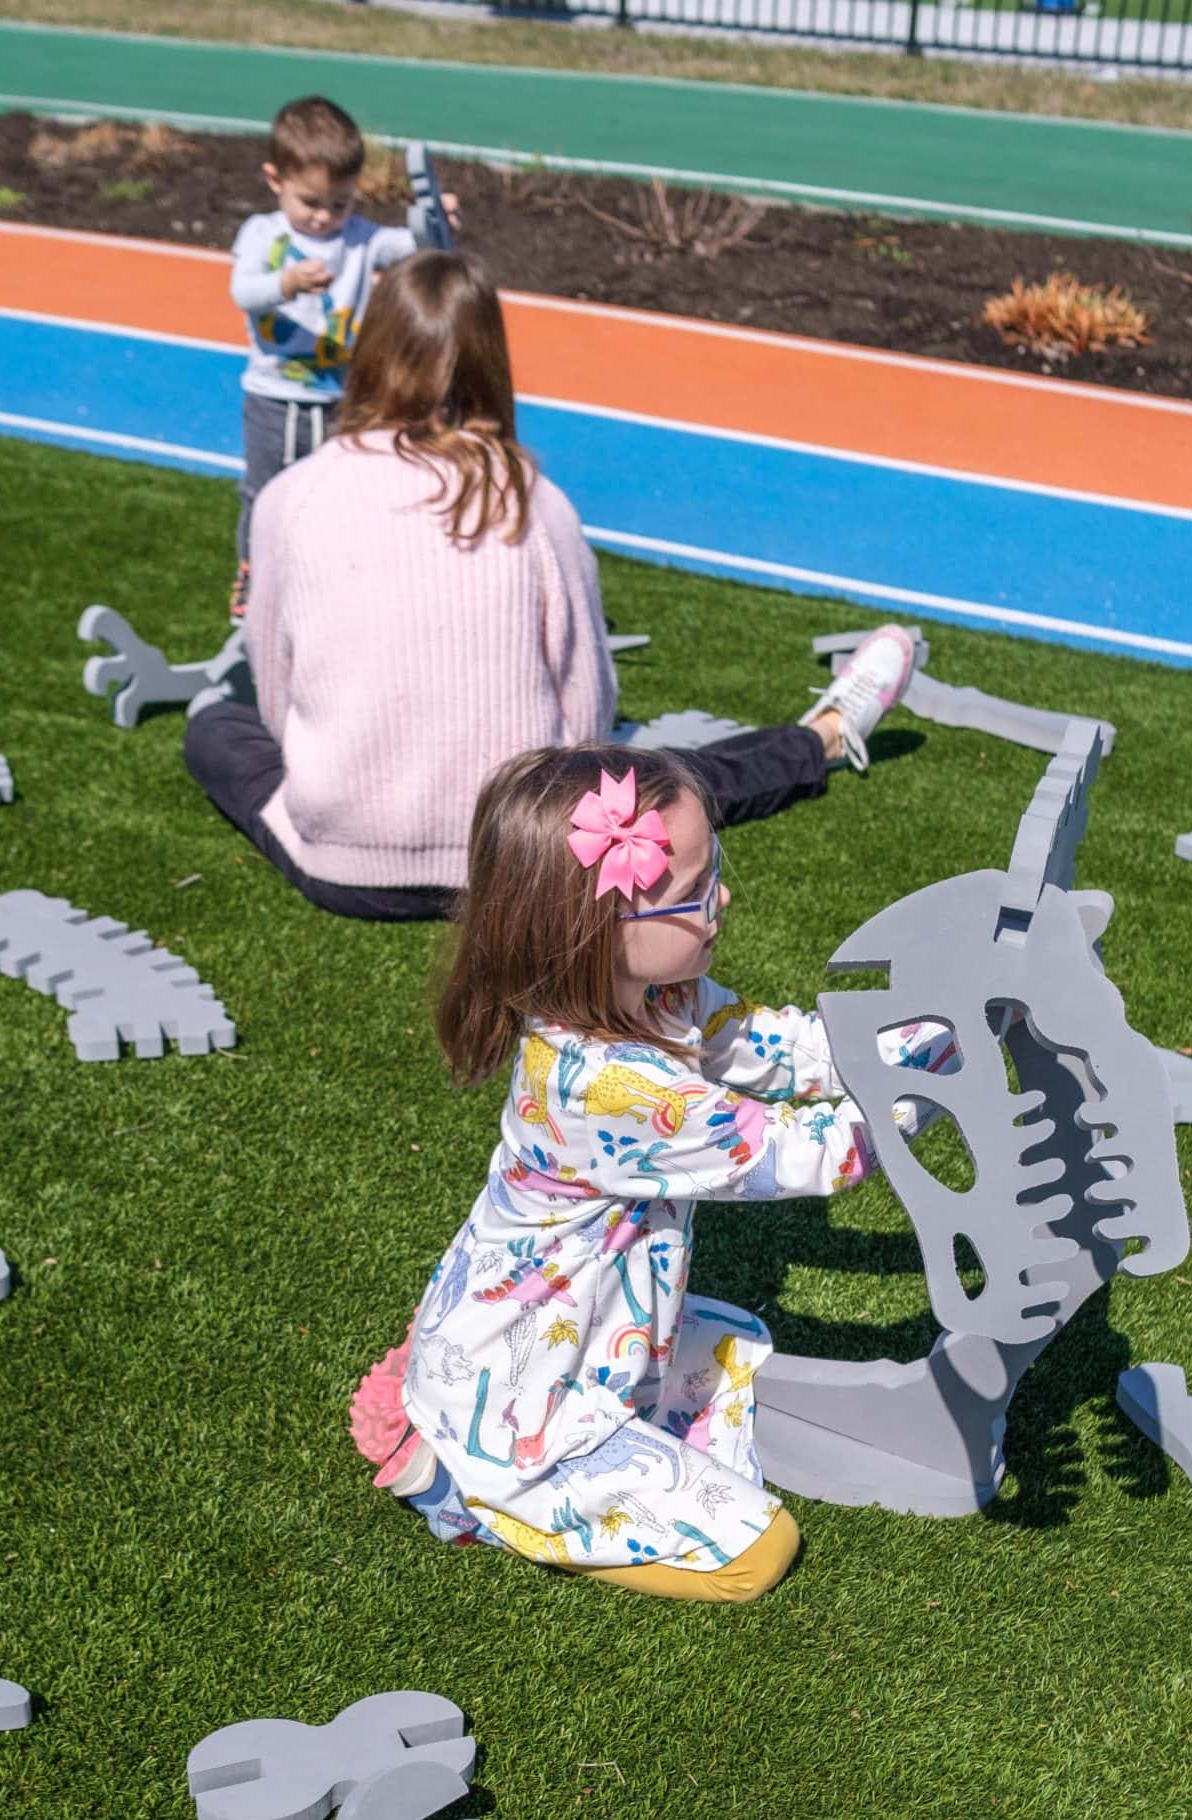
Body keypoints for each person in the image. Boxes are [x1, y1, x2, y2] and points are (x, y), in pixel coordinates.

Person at [347, 745, 955, 1603]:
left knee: (736, 1343)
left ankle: (464, 1408)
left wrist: (934, 1028)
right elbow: (818, 1149)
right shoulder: (605, 1086)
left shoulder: (659, 1001)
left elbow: (791, 1053)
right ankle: (462, 1493)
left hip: (585, 1332)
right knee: (756, 1555)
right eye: (694, 894)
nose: (722, 902)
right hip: (531, 1394)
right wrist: (942, 1069)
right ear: (597, 929)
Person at [187, 249, 919, 924]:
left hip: (341, 868)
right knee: (675, 777)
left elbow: (279, 698)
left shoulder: (294, 494)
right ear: (489, 364)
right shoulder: (534, 501)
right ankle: (822, 737)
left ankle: (813, 740)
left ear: (369, 352)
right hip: (523, 863)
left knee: (216, 726)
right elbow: (587, 714)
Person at [227, 95, 455, 616]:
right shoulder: (263, 235)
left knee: (340, 494)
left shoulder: (359, 237)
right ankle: (253, 571)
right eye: (311, 202)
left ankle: (330, 576)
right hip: (277, 397)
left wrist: (434, 225)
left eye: (341, 204)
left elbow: (413, 248)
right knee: (266, 493)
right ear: (274, 180)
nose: (326, 217)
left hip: (343, 398)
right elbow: (244, 292)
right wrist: (286, 281)